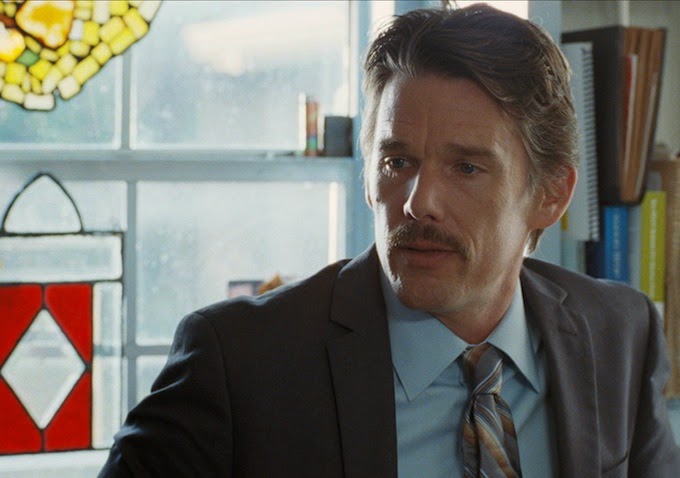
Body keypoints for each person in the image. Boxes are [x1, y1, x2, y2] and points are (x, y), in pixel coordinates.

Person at [99, 4, 680, 477]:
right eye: (397, 161)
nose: (418, 202)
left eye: (466, 168)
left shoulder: (620, 334)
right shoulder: (239, 363)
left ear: (551, 194)